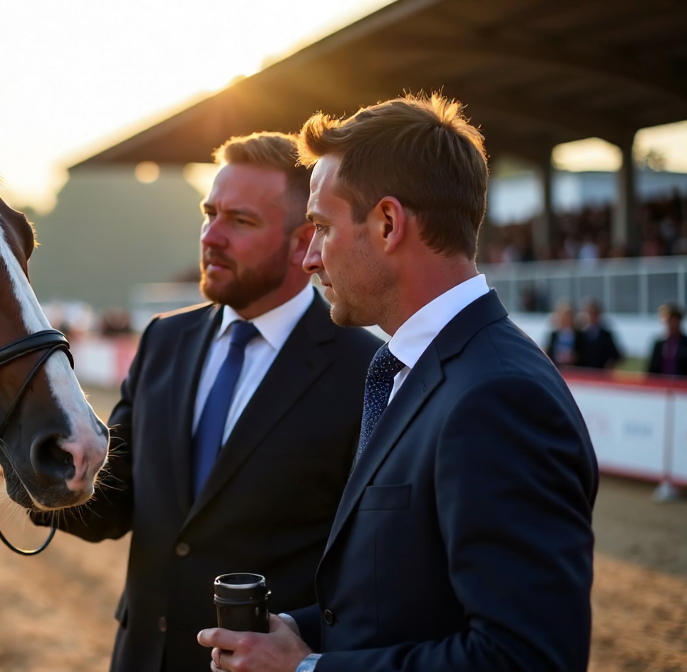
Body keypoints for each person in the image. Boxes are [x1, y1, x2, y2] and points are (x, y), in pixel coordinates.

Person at [198, 94, 598, 672]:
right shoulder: (419, 369)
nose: (308, 257)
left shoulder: (498, 398)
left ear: (388, 223)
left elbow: (525, 657)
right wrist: (295, 631)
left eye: (321, 227)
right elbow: (400, 605)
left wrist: (306, 670)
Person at [36, 132, 380, 672]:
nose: (211, 236)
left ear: (302, 242)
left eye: (240, 221)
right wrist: (36, 466)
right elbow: (116, 503)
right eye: (208, 212)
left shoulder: (365, 369)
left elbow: (370, 571)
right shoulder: (162, 341)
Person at [578, 297, 621, 369]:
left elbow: (615, 356)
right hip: (583, 374)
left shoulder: (605, 335)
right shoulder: (579, 334)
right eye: (587, 312)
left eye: (593, 313)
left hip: (599, 373)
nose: (590, 316)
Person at [648, 302, 687, 376]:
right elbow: (652, 371)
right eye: (668, 321)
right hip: (662, 385)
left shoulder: (685, 344)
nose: (670, 324)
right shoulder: (659, 344)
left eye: (673, 320)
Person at [544, 300, 582, 367]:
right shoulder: (554, 335)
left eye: (568, 315)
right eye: (563, 315)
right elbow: (550, 353)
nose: (565, 318)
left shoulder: (580, 335)